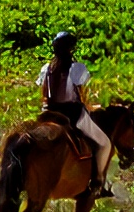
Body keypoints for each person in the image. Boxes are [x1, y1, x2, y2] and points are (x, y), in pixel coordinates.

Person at [39, 29, 113, 198]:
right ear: (72, 49)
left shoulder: (47, 69)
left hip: (49, 113)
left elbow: (43, 95)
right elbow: (82, 96)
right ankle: (97, 181)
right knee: (103, 144)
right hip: (72, 113)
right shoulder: (77, 68)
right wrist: (92, 107)